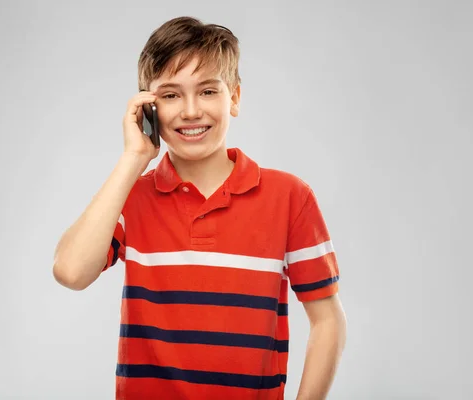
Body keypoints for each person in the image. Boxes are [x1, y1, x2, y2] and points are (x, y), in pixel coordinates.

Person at [53, 16, 347, 400]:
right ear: (148, 109)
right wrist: (133, 158)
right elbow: (71, 271)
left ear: (235, 98)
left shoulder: (289, 197)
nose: (191, 111)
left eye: (208, 91)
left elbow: (328, 322)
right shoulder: (131, 197)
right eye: (171, 95)